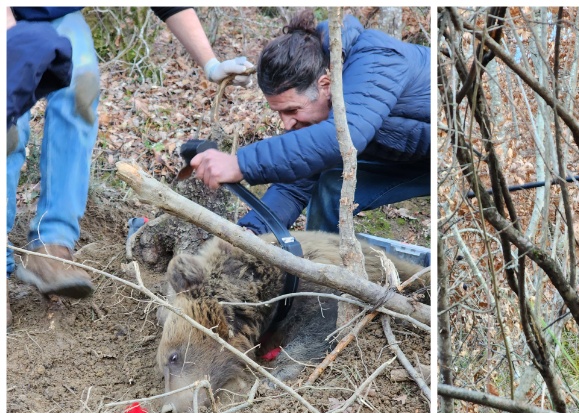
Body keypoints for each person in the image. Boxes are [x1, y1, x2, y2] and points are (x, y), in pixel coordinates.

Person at [7, 7, 253, 307]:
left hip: (58, 12)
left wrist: (211, 64)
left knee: (80, 88)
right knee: (10, 127)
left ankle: (51, 246)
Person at [188, 10, 431, 234]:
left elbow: (340, 139)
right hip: (409, 154)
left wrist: (241, 163)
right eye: (280, 113)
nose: (286, 124)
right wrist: (252, 232)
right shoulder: (326, 97)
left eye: (292, 109)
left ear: (325, 85)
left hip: (454, 159)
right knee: (332, 188)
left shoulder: (379, 60)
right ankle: (325, 272)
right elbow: (297, 177)